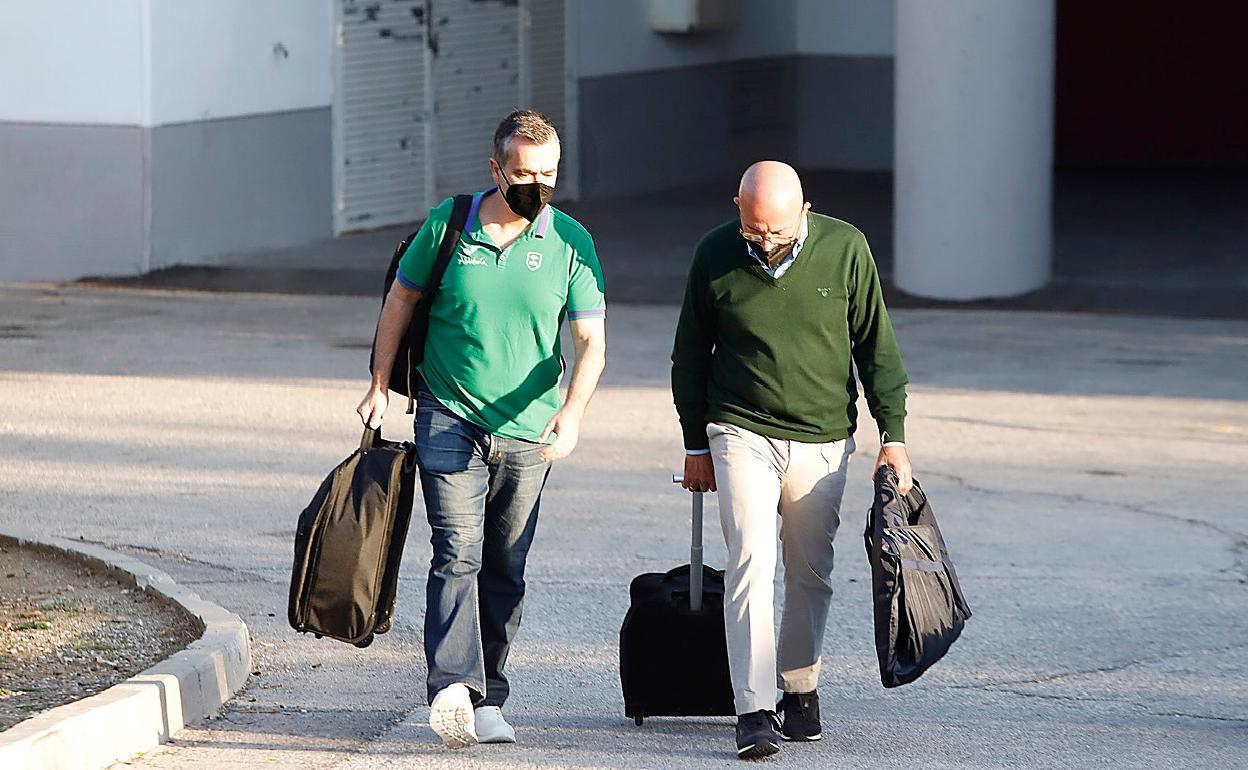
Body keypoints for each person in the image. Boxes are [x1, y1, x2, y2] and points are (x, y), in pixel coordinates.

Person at [357, 110, 607, 749]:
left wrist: (571, 413)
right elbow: (402, 300)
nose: (537, 185)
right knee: (457, 550)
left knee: (506, 564)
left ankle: (491, 692)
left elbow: (590, 341)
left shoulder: (571, 242)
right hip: (449, 415)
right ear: (496, 169)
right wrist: (380, 384)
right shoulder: (450, 222)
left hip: (528, 431)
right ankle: (452, 687)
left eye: (548, 173)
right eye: (524, 173)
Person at [670, 160, 911, 760]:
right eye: (754, 230)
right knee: (752, 558)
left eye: (776, 231)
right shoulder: (716, 253)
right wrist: (695, 443)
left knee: (810, 570)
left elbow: (875, 346)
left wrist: (894, 433)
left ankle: (799, 690)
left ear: (804, 211)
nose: (765, 242)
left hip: (824, 437)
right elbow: (691, 354)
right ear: (738, 208)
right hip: (739, 428)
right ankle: (753, 709)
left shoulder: (846, 248)